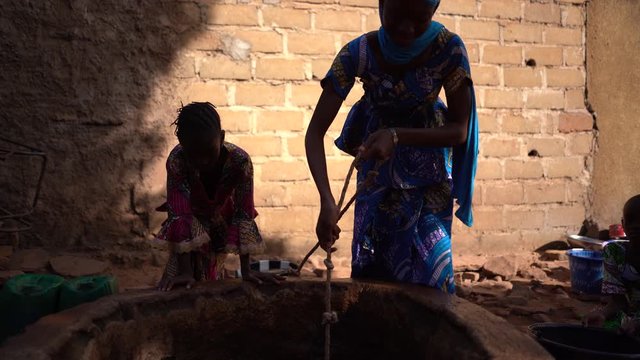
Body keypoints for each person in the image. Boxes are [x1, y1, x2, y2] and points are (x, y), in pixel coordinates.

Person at [305, 0, 478, 293]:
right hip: (378, 174)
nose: (406, 29)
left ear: (433, 12)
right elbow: (314, 133)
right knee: (375, 274)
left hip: (430, 177)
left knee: (429, 274)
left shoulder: (449, 50)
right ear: (381, 4)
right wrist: (326, 200)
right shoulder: (357, 54)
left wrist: (397, 135)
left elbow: (459, 130)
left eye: (420, 19)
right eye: (397, 16)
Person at [154, 102, 284, 291]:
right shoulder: (177, 161)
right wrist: (186, 272)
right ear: (181, 143)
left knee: (211, 280)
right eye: (194, 155)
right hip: (190, 225)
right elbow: (180, 215)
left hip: (222, 222)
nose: (202, 161)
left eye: (209, 152)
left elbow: (243, 214)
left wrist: (247, 271)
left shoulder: (240, 162)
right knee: (175, 284)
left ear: (222, 137)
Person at [585, 195, 640, 334]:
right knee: (603, 328)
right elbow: (618, 302)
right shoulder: (615, 252)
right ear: (623, 223)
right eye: (630, 220)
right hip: (630, 319)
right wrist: (602, 313)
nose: (635, 226)